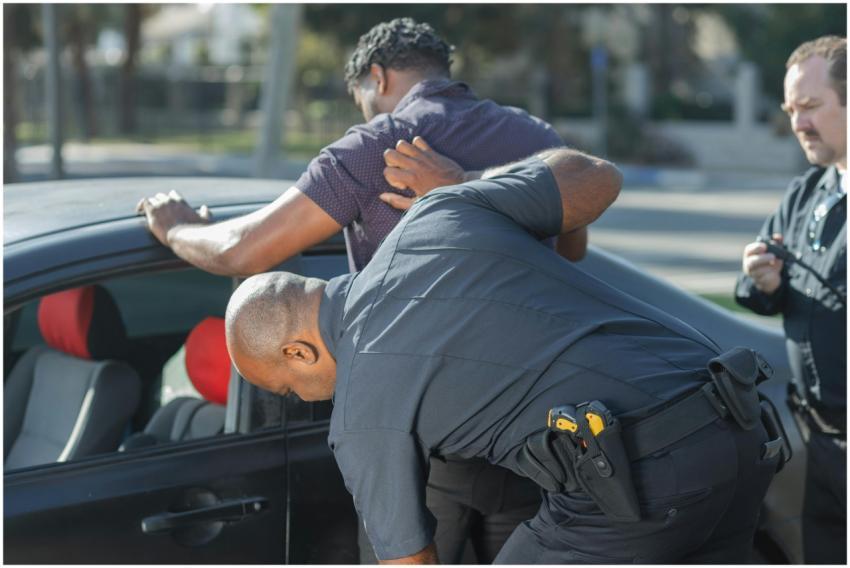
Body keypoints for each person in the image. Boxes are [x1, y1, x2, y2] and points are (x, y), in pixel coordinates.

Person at [137, 18, 596, 563]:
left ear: (375, 78)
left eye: (360, 96)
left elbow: (244, 251)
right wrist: (482, 187)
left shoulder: (377, 146)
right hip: (531, 426)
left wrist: (176, 227)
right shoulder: (537, 137)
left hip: (426, 433)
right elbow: (572, 253)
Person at [226, 147, 780, 564]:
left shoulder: (360, 412)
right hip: (740, 422)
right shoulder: (435, 214)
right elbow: (598, 176)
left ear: (297, 350)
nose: (301, 398)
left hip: (643, 481)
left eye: (287, 388)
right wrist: (463, 183)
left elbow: (407, 561)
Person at [734, 36, 846, 565]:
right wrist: (763, 281)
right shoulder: (806, 192)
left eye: (811, 107)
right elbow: (760, 294)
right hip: (816, 439)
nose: (798, 123)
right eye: (790, 109)